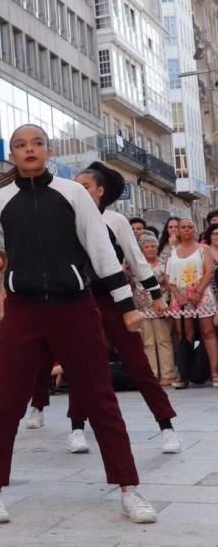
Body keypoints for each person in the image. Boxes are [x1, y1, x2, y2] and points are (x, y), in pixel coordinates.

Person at [0, 124, 156, 524]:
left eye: (36, 143)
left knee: (99, 398)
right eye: (21, 145)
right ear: (13, 155)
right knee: (4, 401)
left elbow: (100, 249)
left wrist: (126, 303)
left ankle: (129, 487)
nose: (29, 150)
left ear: (48, 150)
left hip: (75, 307)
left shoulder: (73, 193)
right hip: (23, 311)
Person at [59, 163, 178, 455]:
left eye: (85, 186)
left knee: (138, 363)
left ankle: (167, 428)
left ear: (100, 190)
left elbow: (137, 261)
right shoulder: (64, 220)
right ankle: (76, 429)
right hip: (79, 301)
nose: (79, 191)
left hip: (116, 300)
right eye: (76, 186)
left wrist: (156, 295)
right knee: (80, 365)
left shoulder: (115, 221)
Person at [166, 218, 218, 387]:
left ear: (194, 229)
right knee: (184, 334)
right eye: (183, 227)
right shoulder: (173, 250)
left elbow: (209, 271)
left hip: (202, 293)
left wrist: (198, 291)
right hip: (179, 295)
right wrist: (177, 294)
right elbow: (167, 276)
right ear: (178, 231)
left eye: (190, 227)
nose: (187, 229)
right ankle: (183, 374)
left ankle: (215, 372)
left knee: (208, 332)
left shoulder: (203, 249)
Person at [134, 235, 174, 385]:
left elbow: (170, 284)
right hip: (142, 308)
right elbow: (131, 283)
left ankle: (168, 375)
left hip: (161, 307)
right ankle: (152, 375)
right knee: (148, 342)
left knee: (164, 340)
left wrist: (170, 303)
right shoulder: (135, 265)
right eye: (146, 247)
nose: (150, 249)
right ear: (141, 250)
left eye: (153, 246)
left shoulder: (165, 263)